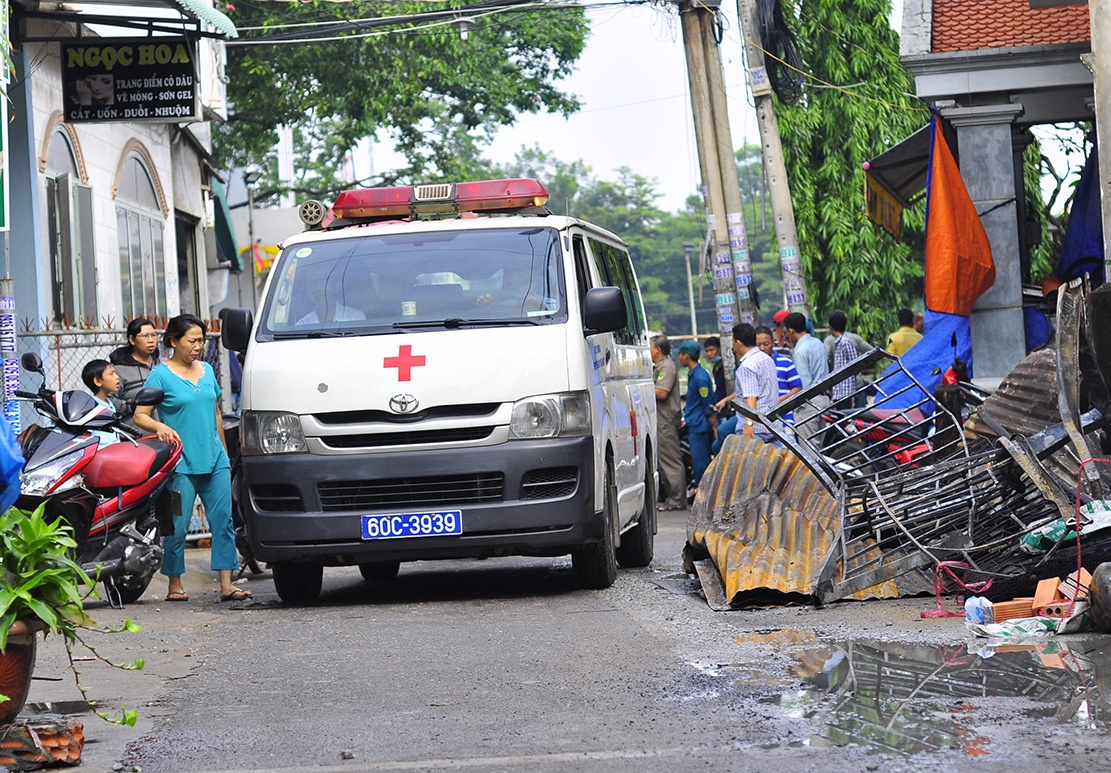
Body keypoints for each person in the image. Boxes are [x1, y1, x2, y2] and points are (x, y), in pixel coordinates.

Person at [133, 314, 252, 604]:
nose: (198, 346)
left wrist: (224, 452)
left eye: (201, 340)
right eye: (192, 340)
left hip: (214, 460)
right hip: (181, 463)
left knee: (223, 522)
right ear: (174, 341)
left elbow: (216, 413)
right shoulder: (160, 375)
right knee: (176, 526)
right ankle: (175, 584)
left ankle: (226, 584)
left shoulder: (208, 370)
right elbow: (140, 416)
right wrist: (160, 426)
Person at [712, 323, 780, 451]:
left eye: (733, 341)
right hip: (772, 427)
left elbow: (751, 398)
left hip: (756, 430)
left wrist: (749, 424)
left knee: (747, 469)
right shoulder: (767, 359)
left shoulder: (747, 366)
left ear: (738, 342)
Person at [784, 311, 830, 444]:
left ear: (791, 331)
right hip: (824, 399)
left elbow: (803, 384)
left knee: (809, 451)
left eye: (787, 331)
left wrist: (797, 409)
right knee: (821, 449)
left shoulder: (800, 351)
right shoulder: (818, 343)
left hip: (809, 404)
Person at [676, 339, 716, 489]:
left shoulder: (699, 377)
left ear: (686, 356)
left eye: (680, 354)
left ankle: (704, 497)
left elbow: (708, 401)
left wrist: (711, 419)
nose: (679, 357)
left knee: (701, 464)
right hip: (695, 424)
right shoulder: (695, 374)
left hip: (699, 426)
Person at [651, 335, 684, 511]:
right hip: (660, 419)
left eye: (650, 346)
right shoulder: (659, 366)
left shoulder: (666, 367)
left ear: (658, 349)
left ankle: (677, 499)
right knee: (662, 460)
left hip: (665, 420)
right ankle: (670, 497)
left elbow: (662, 392)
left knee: (670, 460)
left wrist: (643, 386)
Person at [110, 318, 161, 421]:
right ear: (132, 340)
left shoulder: (163, 365)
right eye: (145, 336)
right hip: (135, 434)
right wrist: (130, 406)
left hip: (166, 433)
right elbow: (108, 400)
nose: (151, 340)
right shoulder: (119, 370)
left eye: (153, 335)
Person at [756, 325, 802, 428]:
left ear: (772, 343)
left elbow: (798, 388)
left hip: (785, 420)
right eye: (758, 345)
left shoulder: (786, 363)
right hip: (760, 423)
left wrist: (779, 400)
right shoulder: (751, 367)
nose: (762, 348)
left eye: (766, 344)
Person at [296, 262, 366, 324]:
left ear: (335, 286)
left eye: (323, 281)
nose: (317, 288)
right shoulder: (303, 324)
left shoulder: (354, 318)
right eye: (312, 283)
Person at [80, 359, 121, 448]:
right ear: (97, 381)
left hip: (115, 451)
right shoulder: (92, 407)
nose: (117, 377)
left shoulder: (109, 403)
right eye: (111, 374)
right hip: (102, 454)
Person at [828, 313, 860, 409]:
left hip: (847, 391)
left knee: (846, 420)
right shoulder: (838, 343)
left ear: (831, 327)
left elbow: (855, 364)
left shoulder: (845, 343)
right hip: (839, 391)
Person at [702, 336, 728, 409]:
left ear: (719, 350)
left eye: (712, 350)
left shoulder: (726, 368)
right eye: (707, 351)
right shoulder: (715, 368)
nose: (709, 354)